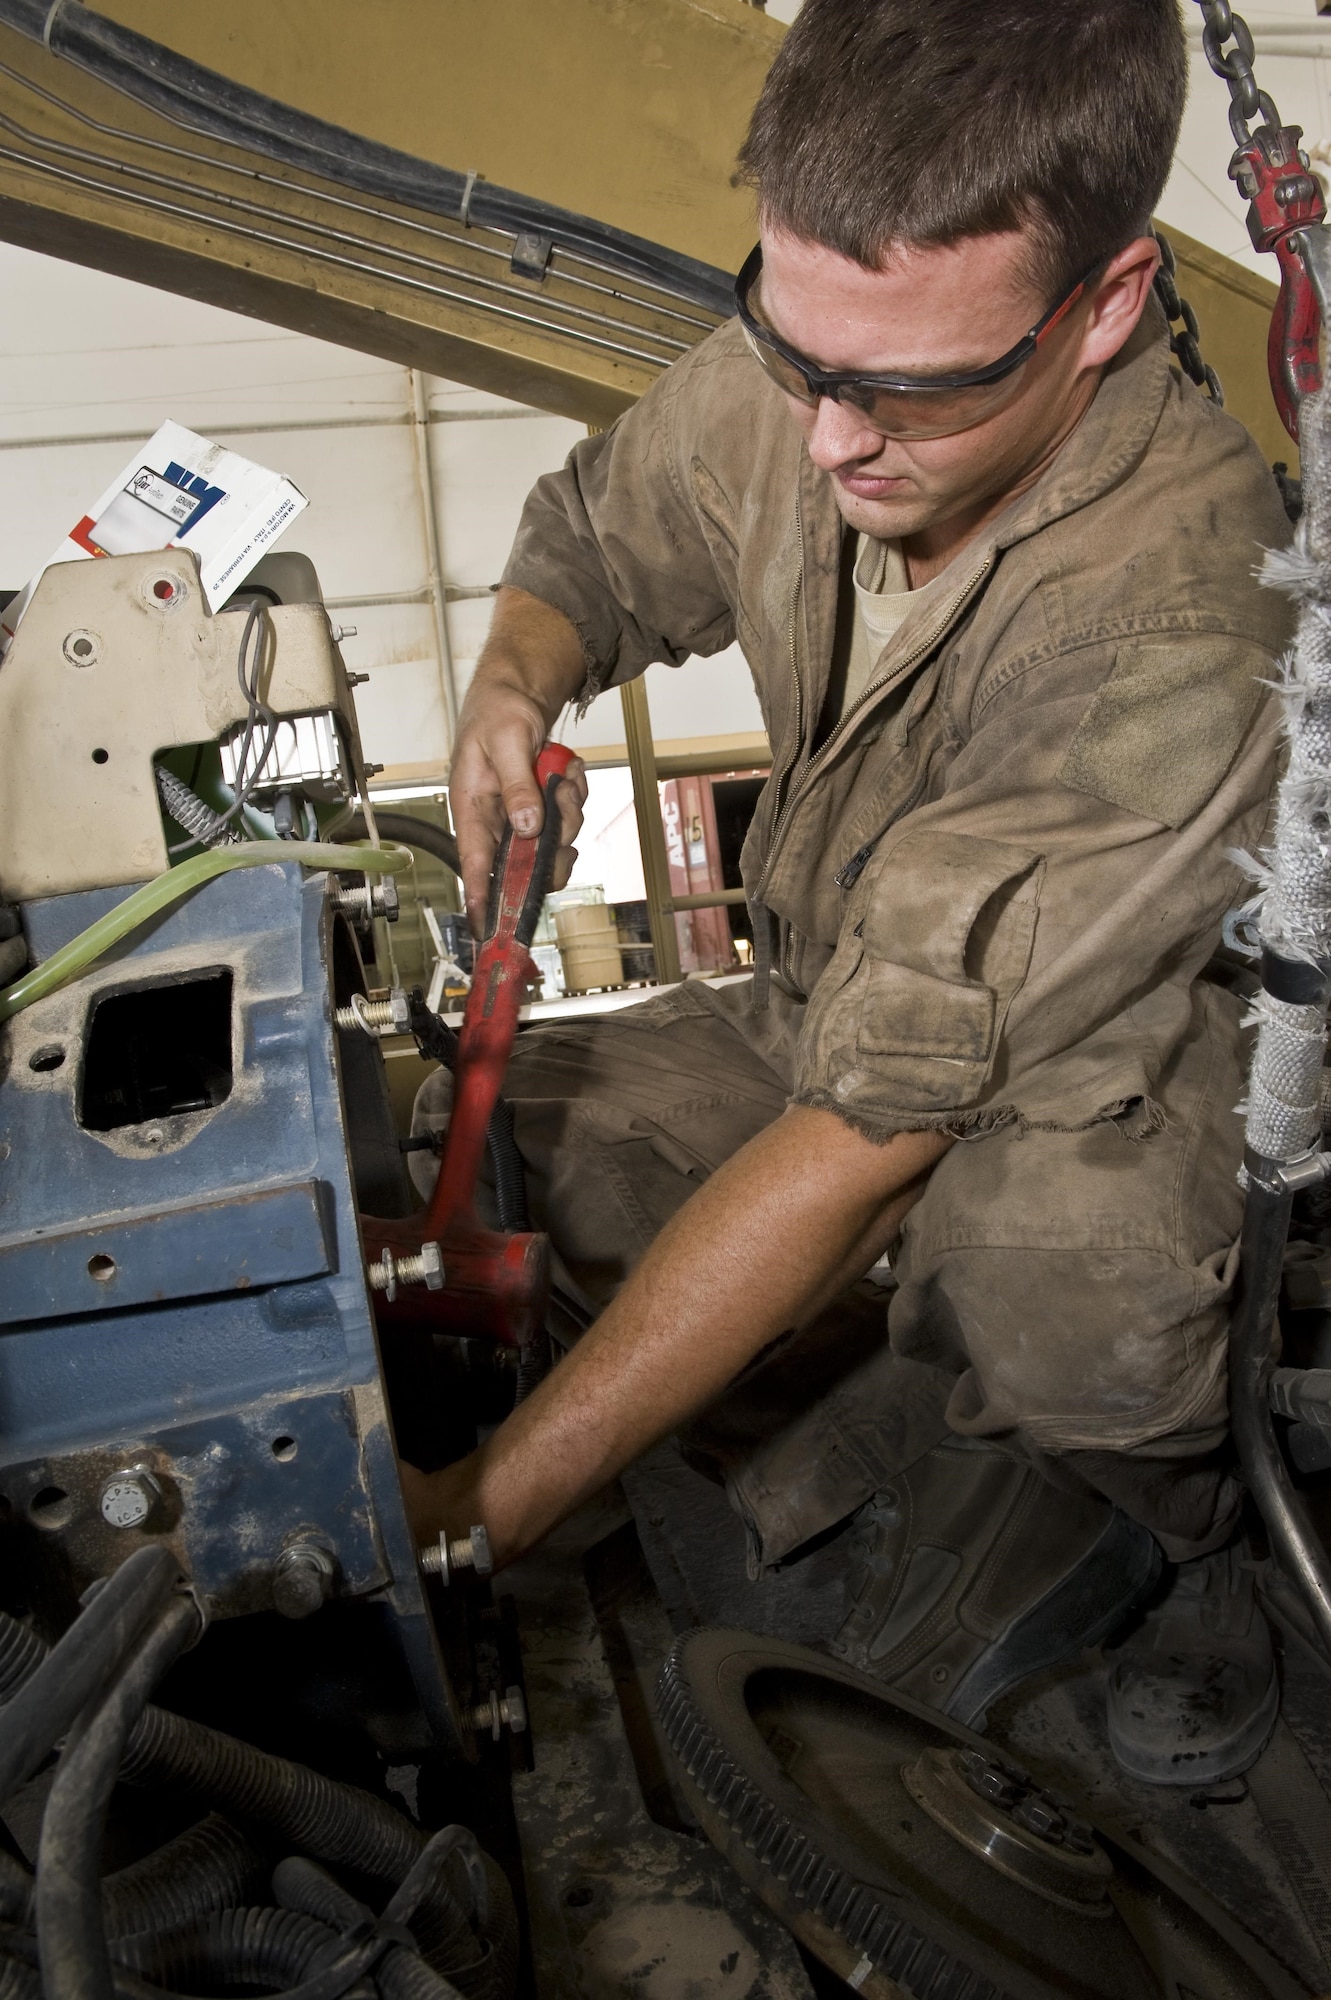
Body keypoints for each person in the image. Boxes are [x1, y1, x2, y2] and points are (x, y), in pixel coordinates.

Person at [403, 0, 1294, 1785]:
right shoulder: (820, 368)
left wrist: (476, 1516)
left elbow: (878, 1120)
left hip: (1085, 1059)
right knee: (498, 1148)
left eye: (910, 388)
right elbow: (594, 538)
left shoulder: (1183, 601)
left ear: (1106, 306)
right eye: (799, 353)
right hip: (833, 1002)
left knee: (1076, 1308)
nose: (826, 440)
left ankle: (1187, 1545)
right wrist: (513, 682)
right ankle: (840, 1385)